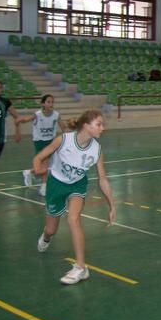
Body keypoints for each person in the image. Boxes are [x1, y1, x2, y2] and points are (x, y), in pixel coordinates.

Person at [33, 110, 115, 285]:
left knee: (73, 218)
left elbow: (103, 179)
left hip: (77, 185)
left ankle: (80, 267)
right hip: (56, 184)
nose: (103, 128)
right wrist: (37, 168)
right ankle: (46, 238)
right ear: (86, 125)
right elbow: (39, 157)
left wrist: (112, 205)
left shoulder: (97, 150)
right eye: (99, 124)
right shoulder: (63, 140)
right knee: (51, 230)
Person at [18, 94, 67, 196]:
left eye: (52, 102)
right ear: (43, 103)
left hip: (50, 142)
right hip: (39, 142)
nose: (51, 104)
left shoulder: (56, 115)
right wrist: (20, 120)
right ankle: (41, 184)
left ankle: (33, 176)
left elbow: (63, 127)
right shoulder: (38, 114)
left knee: (44, 166)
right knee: (44, 166)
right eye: (48, 102)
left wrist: (70, 134)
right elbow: (27, 119)